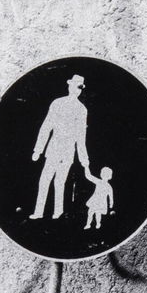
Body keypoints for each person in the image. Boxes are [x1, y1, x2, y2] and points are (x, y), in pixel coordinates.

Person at [29, 74, 91, 219]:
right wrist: (38, 149)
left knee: (60, 182)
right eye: (76, 86)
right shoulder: (57, 103)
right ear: (69, 86)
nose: (77, 90)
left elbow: (81, 137)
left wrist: (84, 159)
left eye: (80, 88)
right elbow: (46, 126)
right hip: (54, 148)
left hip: (68, 151)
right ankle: (39, 212)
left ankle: (58, 212)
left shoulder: (82, 110)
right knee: (44, 180)